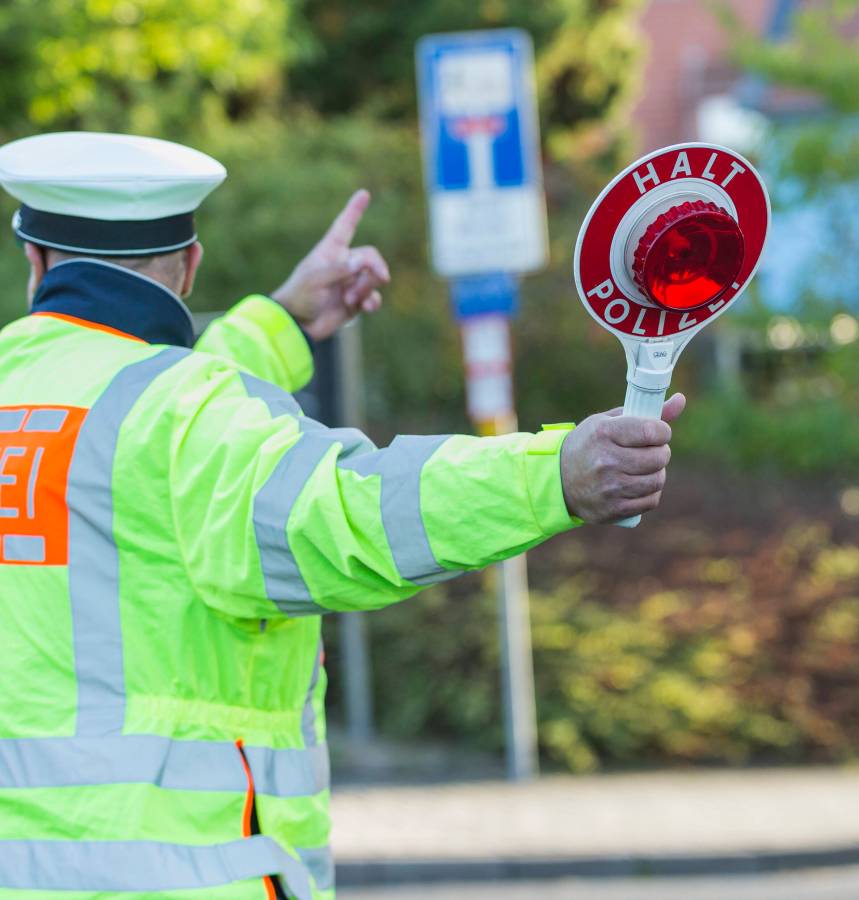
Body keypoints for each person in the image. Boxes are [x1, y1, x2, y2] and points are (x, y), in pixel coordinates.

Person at [0, 132, 683, 899]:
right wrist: (551, 477)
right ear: (189, 265)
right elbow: (349, 515)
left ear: (35, 263)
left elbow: (129, 431)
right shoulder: (186, 418)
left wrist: (280, 325)